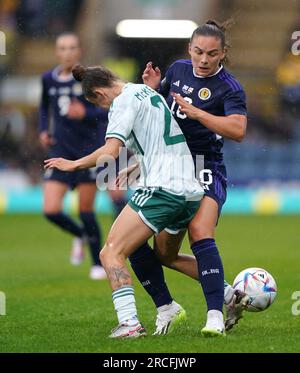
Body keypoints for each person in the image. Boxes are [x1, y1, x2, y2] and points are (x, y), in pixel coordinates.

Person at [44, 64, 205, 338]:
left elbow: (110, 150)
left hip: (162, 189)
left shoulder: (121, 102)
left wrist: (74, 164)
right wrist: (137, 166)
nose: (105, 108)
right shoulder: (146, 91)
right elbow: (157, 139)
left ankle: (129, 323)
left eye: (100, 102)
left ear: (98, 93)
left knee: (110, 252)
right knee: (164, 254)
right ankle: (227, 292)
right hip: (189, 189)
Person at [127, 20, 249, 334]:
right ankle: (226, 293)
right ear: (189, 49)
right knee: (162, 253)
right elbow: (160, 114)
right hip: (170, 167)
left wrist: (200, 114)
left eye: (211, 53)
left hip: (205, 166)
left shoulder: (230, 87)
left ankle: (215, 318)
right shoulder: (178, 70)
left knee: (200, 231)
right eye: (198, 52)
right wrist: (153, 90)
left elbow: (237, 130)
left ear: (223, 53)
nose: (204, 59)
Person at [39, 32, 126, 280]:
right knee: (51, 209)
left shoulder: (88, 81)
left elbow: (106, 112)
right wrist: (43, 130)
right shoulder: (48, 79)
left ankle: (96, 264)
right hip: (60, 150)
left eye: (71, 48)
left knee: (86, 210)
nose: (67, 52)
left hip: (87, 150)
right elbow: (44, 107)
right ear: (57, 52)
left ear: (79, 52)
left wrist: (85, 114)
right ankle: (80, 234)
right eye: (62, 48)